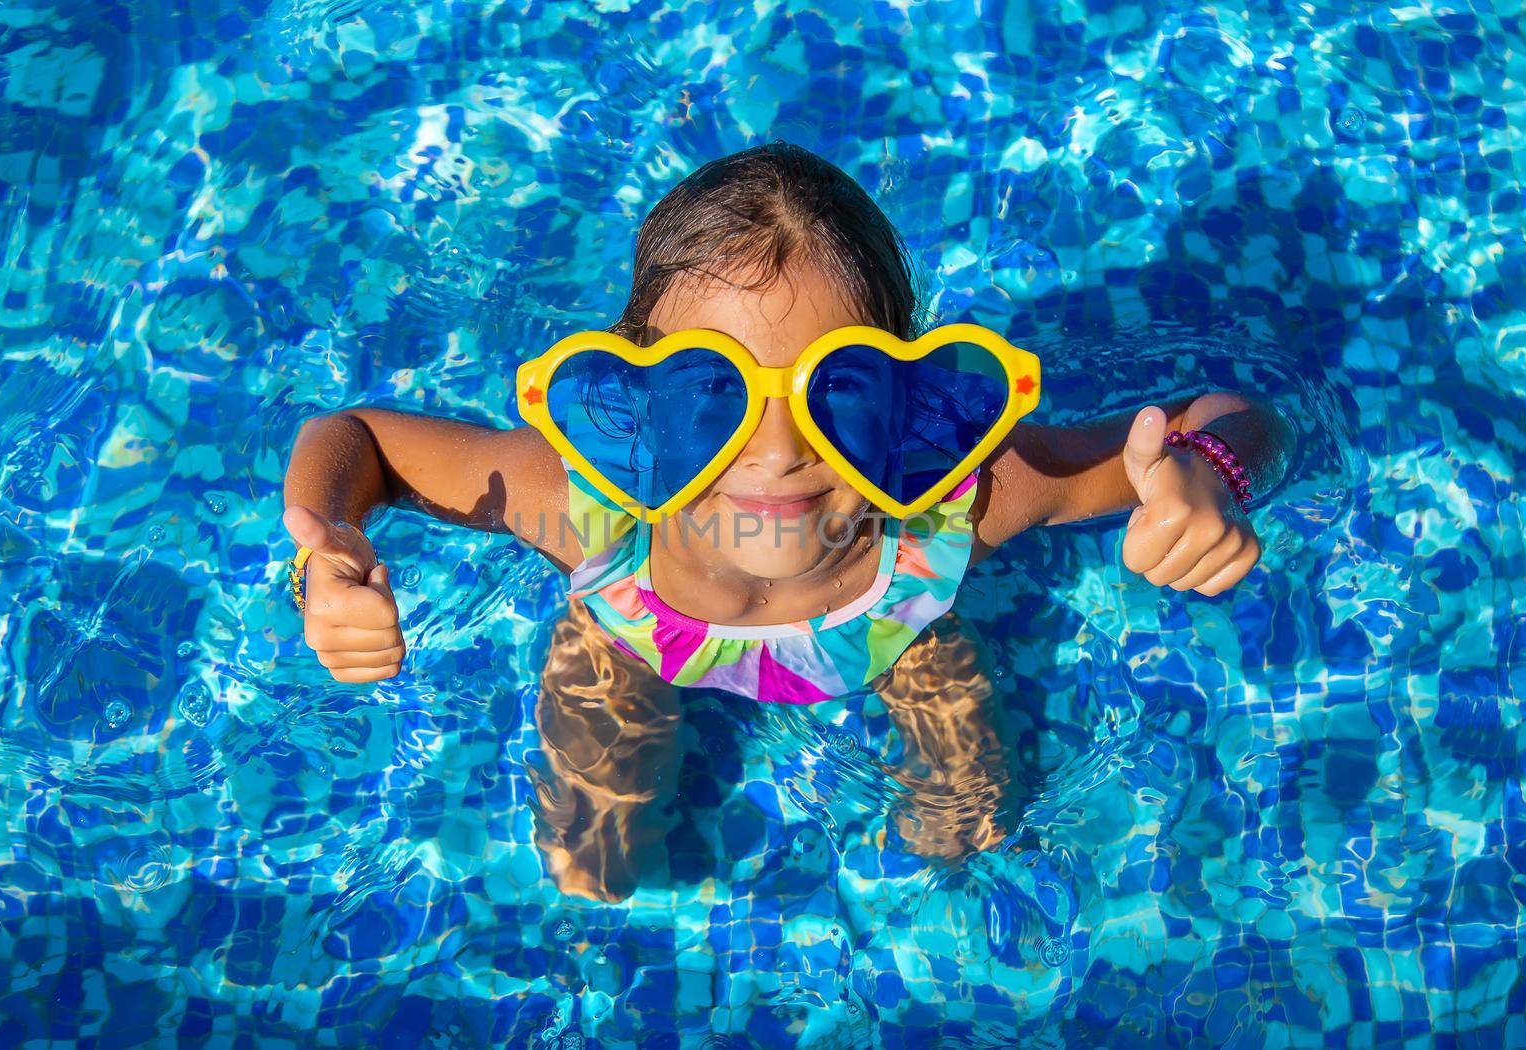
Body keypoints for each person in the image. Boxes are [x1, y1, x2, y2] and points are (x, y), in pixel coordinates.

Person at [280, 142, 1295, 900]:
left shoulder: (963, 496)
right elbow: (358, 438)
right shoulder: (589, 502)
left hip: (891, 640)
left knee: (970, 826)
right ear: (642, 399)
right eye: (713, 391)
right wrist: (326, 539)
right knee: (591, 858)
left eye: (838, 388)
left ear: (906, 393)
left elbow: (1231, 419)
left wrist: (1206, 475)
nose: (774, 450)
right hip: (634, 644)